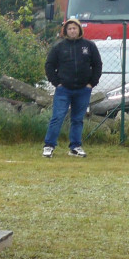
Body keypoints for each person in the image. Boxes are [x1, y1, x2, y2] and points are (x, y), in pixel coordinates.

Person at [43, 18, 102, 158]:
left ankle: (75, 147)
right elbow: (49, 65)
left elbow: (97, 65)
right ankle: (49, 146)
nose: (72, 31)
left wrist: (91, 83)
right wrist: (56, 83)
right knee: (57, 117)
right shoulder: (59, 47)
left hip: (83, 90)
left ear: (79, 29)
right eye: (69, 29)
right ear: (65, 31)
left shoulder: (89, 46)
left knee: (78, 119)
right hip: (63, 90)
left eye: (74, 28)